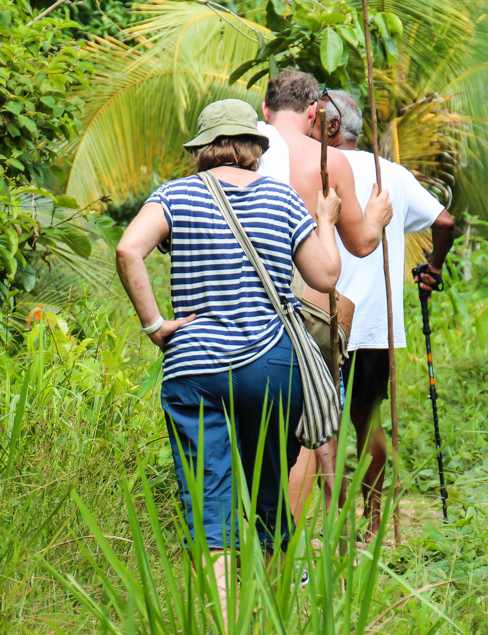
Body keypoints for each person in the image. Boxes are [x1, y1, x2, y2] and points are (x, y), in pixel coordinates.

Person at [114, 98, 343, 612]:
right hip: (271, 364)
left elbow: (129, 249)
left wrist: (155, 326)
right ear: (254, 147)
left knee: (207, 491)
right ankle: (279, 606)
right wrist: (325, 220)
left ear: (203, 149)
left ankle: (220, 616)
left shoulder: (173, 195)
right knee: (268, 485)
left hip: (195, 366)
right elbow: (325, 277)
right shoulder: (281, 198)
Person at [311, 90, 456, 537]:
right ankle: (374, 524)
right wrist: (433, 266)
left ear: (331, 128)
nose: (308, 131)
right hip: (376, 323)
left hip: (324, 319)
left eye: (314, 123)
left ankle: (336, 526)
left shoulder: (315, 171)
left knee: (323, 426)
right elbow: (445, 223)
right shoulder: (389, 174)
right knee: (369, 422)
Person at [254, 68, 394, 519]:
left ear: (264, 110)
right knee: (304, 426)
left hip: (239, 293)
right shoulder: (327, 163)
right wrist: (376, 215)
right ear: (314, 111)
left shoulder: (239, 150)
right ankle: (286, 547)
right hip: (303, 296)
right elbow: (362, 243)